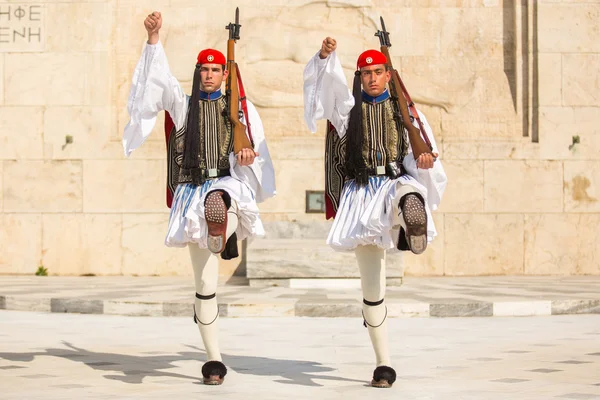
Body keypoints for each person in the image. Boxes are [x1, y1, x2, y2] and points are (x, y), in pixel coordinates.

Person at [123, 11, 275, 385]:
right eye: (203, 69)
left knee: (222, 199)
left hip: (227, 185)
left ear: (226, 75)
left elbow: (258, 153)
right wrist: (155, 38)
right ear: (198, 73)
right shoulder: (183, 105)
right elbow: (157, 80)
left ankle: (225, 229)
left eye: (215, 70)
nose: (208, 74)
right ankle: (213, 360)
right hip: (193, 193)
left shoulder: (240, 110)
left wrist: (247, 155)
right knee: (205, 286)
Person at [303, 37, 447, 388]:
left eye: (377, 72)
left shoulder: (407, 112)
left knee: (410, 193)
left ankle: (407, 223)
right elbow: (324, 91)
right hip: (362, 197)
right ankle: (383, 364)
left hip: (396, 183)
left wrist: (425, 159)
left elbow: (423, 152)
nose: (371, 78)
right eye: (365, 73)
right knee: (372, 290)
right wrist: (324, 58)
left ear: (388, 75)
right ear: (360, 77)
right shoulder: (347, 110)